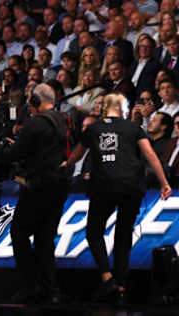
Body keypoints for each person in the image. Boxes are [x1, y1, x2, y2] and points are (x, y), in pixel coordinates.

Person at [65, 93, 172, 303]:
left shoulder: (94, 128)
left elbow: (76, 155)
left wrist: (66, 163)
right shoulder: (133, 127)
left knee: (94, 232)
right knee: (123, 237)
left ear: (105, 108)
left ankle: (108, 279)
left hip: (103, 187)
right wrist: (164, 183)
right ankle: (120, 287)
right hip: (131, 187)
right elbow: (150, 154)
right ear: (123, 109)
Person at [0, 83, 69, 304]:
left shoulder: (35, 123)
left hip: (39, 186)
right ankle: (51, 289)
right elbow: (40, 148)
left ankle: (31, 285)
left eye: (30, 103)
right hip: (59, 185)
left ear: (34, 102)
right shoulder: (62, 119)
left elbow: (13, 155)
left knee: (19, 233)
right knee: (45, 238)